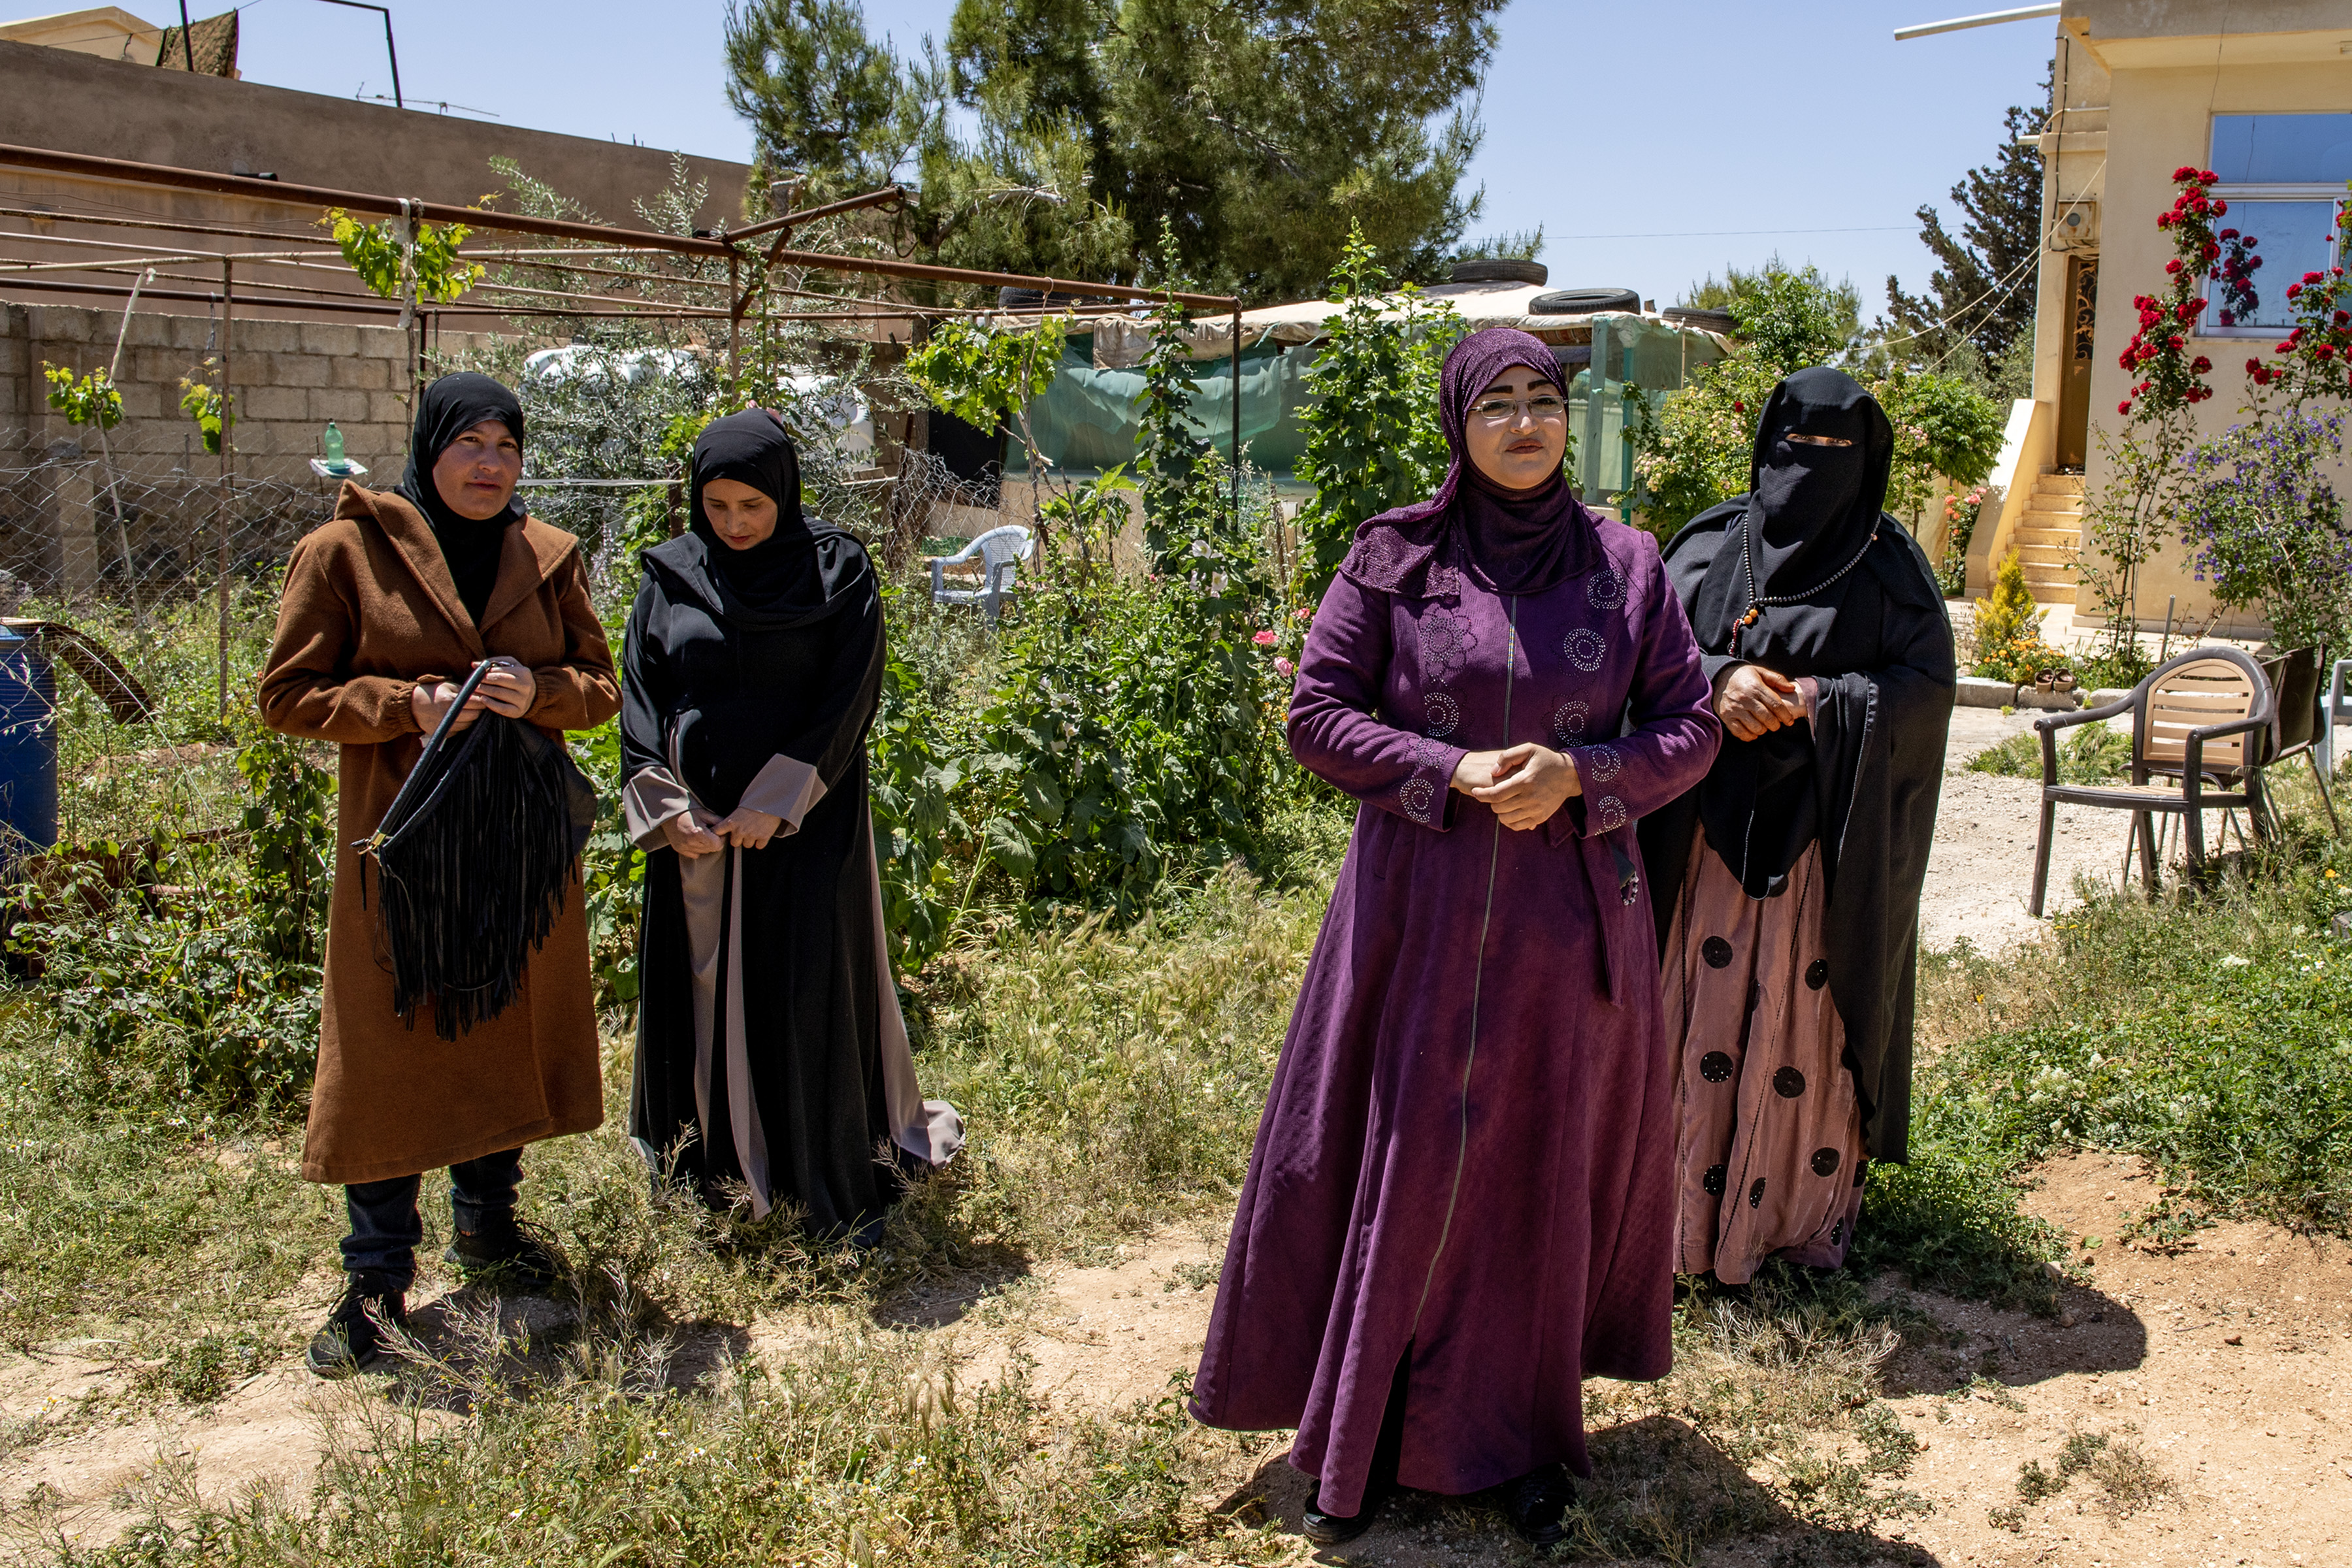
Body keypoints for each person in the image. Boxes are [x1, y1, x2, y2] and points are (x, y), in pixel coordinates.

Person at [1189, 328, 1722, 1547]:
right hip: (1415, 921)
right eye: (1499, 405)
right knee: (1407, 1163)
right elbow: (1315, 714)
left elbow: (1690, 727)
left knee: (1533, 1176)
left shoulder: (1626, 567)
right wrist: (1452, 766)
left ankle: (1525, 1438)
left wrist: (1584, 777)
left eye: (1545, 402)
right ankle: (1365, 1431)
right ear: (1459, 427)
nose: (1526, 424)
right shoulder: (1395, 556)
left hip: (1562, 926)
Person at [261, 372, 621, 1377]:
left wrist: (536, 688)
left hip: (515, 848)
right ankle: (375, 1281)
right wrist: (402, 707)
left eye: (506, 445)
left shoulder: (547, 557)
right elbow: (288, 694)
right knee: (389, 1052)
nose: (490, 463)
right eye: (469, 442)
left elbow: (600, 688)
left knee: (498, 1026)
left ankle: (489, 1233)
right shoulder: (345, 553)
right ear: (427, 448)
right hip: (404, 855)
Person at [1636, 367, 1955, 1285]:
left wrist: (1819, 701)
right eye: (1793, 445)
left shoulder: (1892, 572)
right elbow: (1641, 654)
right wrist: (1716, 680)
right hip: (1701, 848)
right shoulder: (1705, 548)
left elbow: (1926, 693)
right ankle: (1672, 1227)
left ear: (1869, 462)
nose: (1809, 467)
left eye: (1834, 452)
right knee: (1685, 1019)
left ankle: (1784, 1222)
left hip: (1823, 853)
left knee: (1800, 1020)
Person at [621, 410, 960, 1238]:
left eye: (753, 507)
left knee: (806, 987)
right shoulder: (668, 578)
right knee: (707, 991)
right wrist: (668, 810)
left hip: (807, 825)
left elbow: (849, 699)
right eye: (717, 507)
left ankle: (821, 1174)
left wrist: (774, 805)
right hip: (699, 835)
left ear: (785, 494)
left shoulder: (837, 571)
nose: (733, 525)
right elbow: (639, 701)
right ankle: (716, 1171)